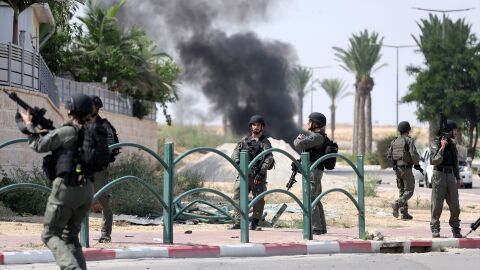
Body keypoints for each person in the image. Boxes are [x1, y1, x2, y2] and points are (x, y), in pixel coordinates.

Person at [20, 93, 94, 270]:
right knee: (70, 237)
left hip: (67, 189)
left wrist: (29, 125)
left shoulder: (68, 131)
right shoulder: (91, 132)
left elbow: (39, 145)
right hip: (87, 191)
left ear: (71, 111)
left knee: (49, 234)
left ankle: (71, 267)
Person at [230, 115, 274, 231]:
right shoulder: (245, 140)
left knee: (258, 199)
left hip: (258, 175)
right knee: (238, 193)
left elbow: (269, 158)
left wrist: (260, 172)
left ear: (262, 127)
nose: (256, 127)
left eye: (258, 125)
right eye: (254, 125)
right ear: (251, 126)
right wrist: (239, 163)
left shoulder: (265, 142)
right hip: (244, 174)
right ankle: (238, 221)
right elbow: (234, 153)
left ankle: (255, 223)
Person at [90, 96, 120, 243]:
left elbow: (109, 148)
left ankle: (105, 233)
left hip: (98, 168)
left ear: (97, 108)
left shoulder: (104, 125)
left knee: (103, 200)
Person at [293, 112, 329, 235]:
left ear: (315, 123)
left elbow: (299, 144)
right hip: (315, 170)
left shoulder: (317, 137)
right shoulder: (318, 136)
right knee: (316, 199)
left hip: (314, 170)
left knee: (311, 198)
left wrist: (298, 138)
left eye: (310, 121)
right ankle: (321, 227)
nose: (308, 123)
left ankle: (316, 227)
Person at [430, 120, 463, 238]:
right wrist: (442, 147)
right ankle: (435, 228)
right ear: (449, 130)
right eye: (455, 130)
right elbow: (433, 161)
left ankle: (455, 228)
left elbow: (455, 163)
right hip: (439, 175)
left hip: (450, 176)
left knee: (455, 205)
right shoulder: (436, 142)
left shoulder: (453, 144)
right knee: (437, 204)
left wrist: (458, 177)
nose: (456, 132)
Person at [387, 121, 421, 220]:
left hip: (397, 168)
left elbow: (389, 155)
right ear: (408, 130)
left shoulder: (394, 141)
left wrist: (395, 164)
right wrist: (417, 164)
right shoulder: (408, 141)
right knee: (409, 190)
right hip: (406, 168)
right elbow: (413, 154)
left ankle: (404, 213)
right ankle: (397, 204)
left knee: (402, 190)